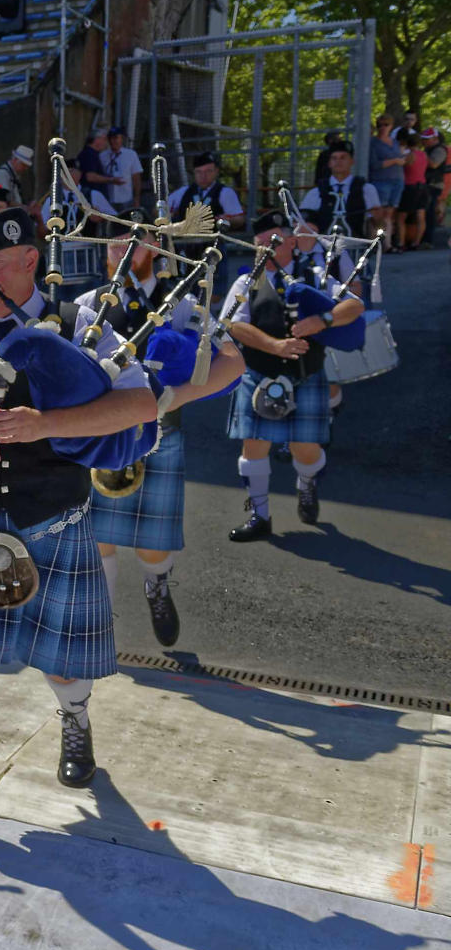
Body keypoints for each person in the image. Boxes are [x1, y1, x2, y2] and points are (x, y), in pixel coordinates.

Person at [0, 206, 155, 851]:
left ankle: (74, 719)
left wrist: (48, 425)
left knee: (63, 661)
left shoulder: (80, 324)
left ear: (30, 261)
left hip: (53, 517)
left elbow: (141, 402)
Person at [79, 226, 244, 646]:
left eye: (132, 240)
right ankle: (101, 623)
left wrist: (179, 395)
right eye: (114, 241)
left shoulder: (186, 303)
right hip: (103, 437)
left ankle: (156, 583)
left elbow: (233, 361)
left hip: (161, 433)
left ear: (155, 248)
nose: (121, 248)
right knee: (97, 541)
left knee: (152, 549)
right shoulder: (87, 306)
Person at [220, 212, 365, 541]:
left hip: (306, 374)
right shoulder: (246, 283)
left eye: (272, 242)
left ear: (290, 242)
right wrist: (274, 345)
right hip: (259, 373)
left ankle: (307, 482)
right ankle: (260, 515)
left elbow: (355, 307)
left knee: (305, 449)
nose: (265, 250)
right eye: (259, 245)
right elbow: (233, 324)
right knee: (253, 447)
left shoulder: (316, 275)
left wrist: (322, 320)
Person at [299, 139, 380, 242]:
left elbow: (377, 221)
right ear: (329, 163)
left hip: (356, 248)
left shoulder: (366, 189)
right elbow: (303, 222)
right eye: (334, 158)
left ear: (352, 161)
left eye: (343, 157)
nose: (338, 161)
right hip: (324, 248)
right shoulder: (316, 192)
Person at [166, 152, 245, 231]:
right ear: (194, 172)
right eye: (199, 172)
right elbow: (159, 210)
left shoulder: (225, 192)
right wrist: (168, 214)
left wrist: (228, 220)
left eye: (208, 171)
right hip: (184, 239)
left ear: (216, 171)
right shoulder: (183, 192)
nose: (203, 176)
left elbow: (239, 219)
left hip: (214, 239)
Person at [368, 115, 405, 239]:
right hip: (380, 181)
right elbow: (374, 165)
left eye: (386, 124)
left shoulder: (395, 142)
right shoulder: (373, 143)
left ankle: (387, 244)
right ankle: (375, 241)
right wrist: (394, 161)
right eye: (380, 125)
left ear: (391, 126)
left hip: (397, 180)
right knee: (379, 214)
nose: (383, 128)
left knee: (389, 214)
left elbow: (402, 158)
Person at [398, 129, 430, 251]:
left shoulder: (409, 155)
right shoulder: (424, 154)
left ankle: (401, 242)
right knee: (420, 216)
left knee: (401, 217)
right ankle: (416, 242)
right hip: (422, 186)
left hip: (410, 187)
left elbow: (404, 166)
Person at [103, 126, 142, 211]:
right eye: (111, 138)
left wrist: (136, 199)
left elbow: (136, 178)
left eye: (116, 138)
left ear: (122, 139)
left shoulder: (131, 155)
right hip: (108, 199)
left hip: (126, 199)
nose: (113, 141)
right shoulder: (103, 156)